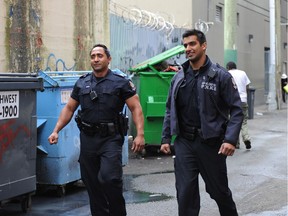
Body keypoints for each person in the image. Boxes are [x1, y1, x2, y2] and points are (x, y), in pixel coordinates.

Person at [48, 44, 145, 216]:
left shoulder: (121, 82)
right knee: (91, 183)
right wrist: (56, 130)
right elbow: (69, 108)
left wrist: (140, 134)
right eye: (93, 56)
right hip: (88, 140)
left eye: (100, 55)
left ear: (109, 59)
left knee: (109, 178)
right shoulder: (82, 83)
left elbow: (136, 108)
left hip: (111, 139)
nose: (96, 59)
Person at [160, 29, 243, 216]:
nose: (188, 48)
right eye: (185, 45)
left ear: (203, 45)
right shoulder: (179, 77)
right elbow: (169, 108)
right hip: (184, 143)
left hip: (211, 144)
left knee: (219, 192)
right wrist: (166, 138)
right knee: (185, 193)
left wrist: (230, 139)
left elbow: (237, 110)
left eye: (192, 44)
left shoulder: (220, 76)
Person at [226, 61, 252, 149]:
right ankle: (246, 138)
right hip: (243, 100)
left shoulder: (227, 73)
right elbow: (247, 86)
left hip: (232, 101)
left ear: (228, 67)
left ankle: (235, 143)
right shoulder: (243, 73)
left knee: (233, 121)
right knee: (243, 121)